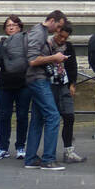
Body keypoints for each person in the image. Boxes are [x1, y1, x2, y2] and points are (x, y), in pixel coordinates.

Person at [22, 11, 71, 170]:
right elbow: (32, 60)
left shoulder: (40, 33)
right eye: (58, 26)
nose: (58, 30)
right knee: (53, 116)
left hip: (37, 78)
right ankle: (48, 159)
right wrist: (54, 58)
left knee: (38, 118)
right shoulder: (38, 32)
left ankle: (30, 158)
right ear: (51, 20)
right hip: (37, 79)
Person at [0, 15, 31, 161]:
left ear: (20, 27)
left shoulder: (26, 43)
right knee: (4, 116)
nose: (11, 27)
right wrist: (4, 54)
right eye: (8, 25)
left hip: (23, 84)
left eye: (14, 25)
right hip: (5, 85)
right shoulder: (2, 44)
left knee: (22, 116)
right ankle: (3, 148)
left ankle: (20, 146)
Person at [48, 20, 83, 162]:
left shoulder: (68, 47)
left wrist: (73, 84)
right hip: (50, 85)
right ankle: (49, 153)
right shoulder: (47, 45)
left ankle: (68, 150)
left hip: (64, 84)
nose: (62, 40)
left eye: (65, 38)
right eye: (60, 36)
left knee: (69, 117)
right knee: (51, 119)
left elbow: (72, 66)